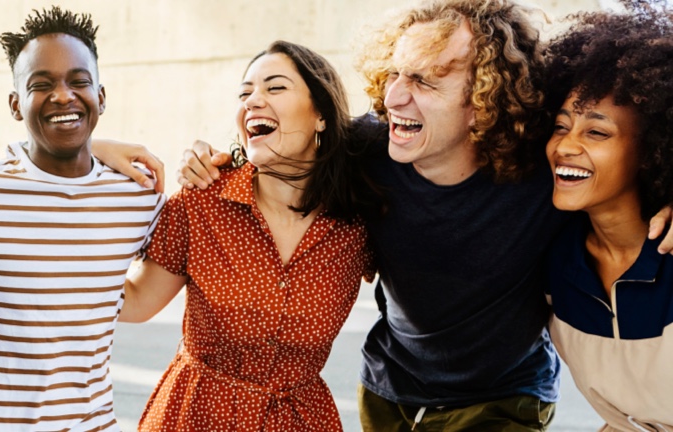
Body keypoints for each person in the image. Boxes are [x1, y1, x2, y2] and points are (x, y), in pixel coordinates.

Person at [176, 0, 667, 428]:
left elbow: (627, 164)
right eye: (394, 73)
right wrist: (198, 158)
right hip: (389, 391)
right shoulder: (367, 147)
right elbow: (283, 148)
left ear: (484, 98)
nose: (393, 97)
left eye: (425, 80)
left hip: (501, 401)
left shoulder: (546, 166)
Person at [0, 7, 164, 431]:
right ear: (15, 104)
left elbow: (146, 291)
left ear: (101, 96)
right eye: (41, 85)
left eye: (78, 82)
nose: (63, 95)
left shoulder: (137, 196)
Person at [119, 41, 380, 431]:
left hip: (300, 422)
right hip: (196, 417)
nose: (253, 101)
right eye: (245, 93)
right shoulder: (203, 201)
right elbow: (137, 302)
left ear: (321, 115)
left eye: (275, 88)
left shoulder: (357, 225)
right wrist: (84, 155)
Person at [541, 3, 673, 430]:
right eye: (561, 126)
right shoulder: (552, 259)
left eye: (596, 132)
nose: (565, 146)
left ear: (655, 148)